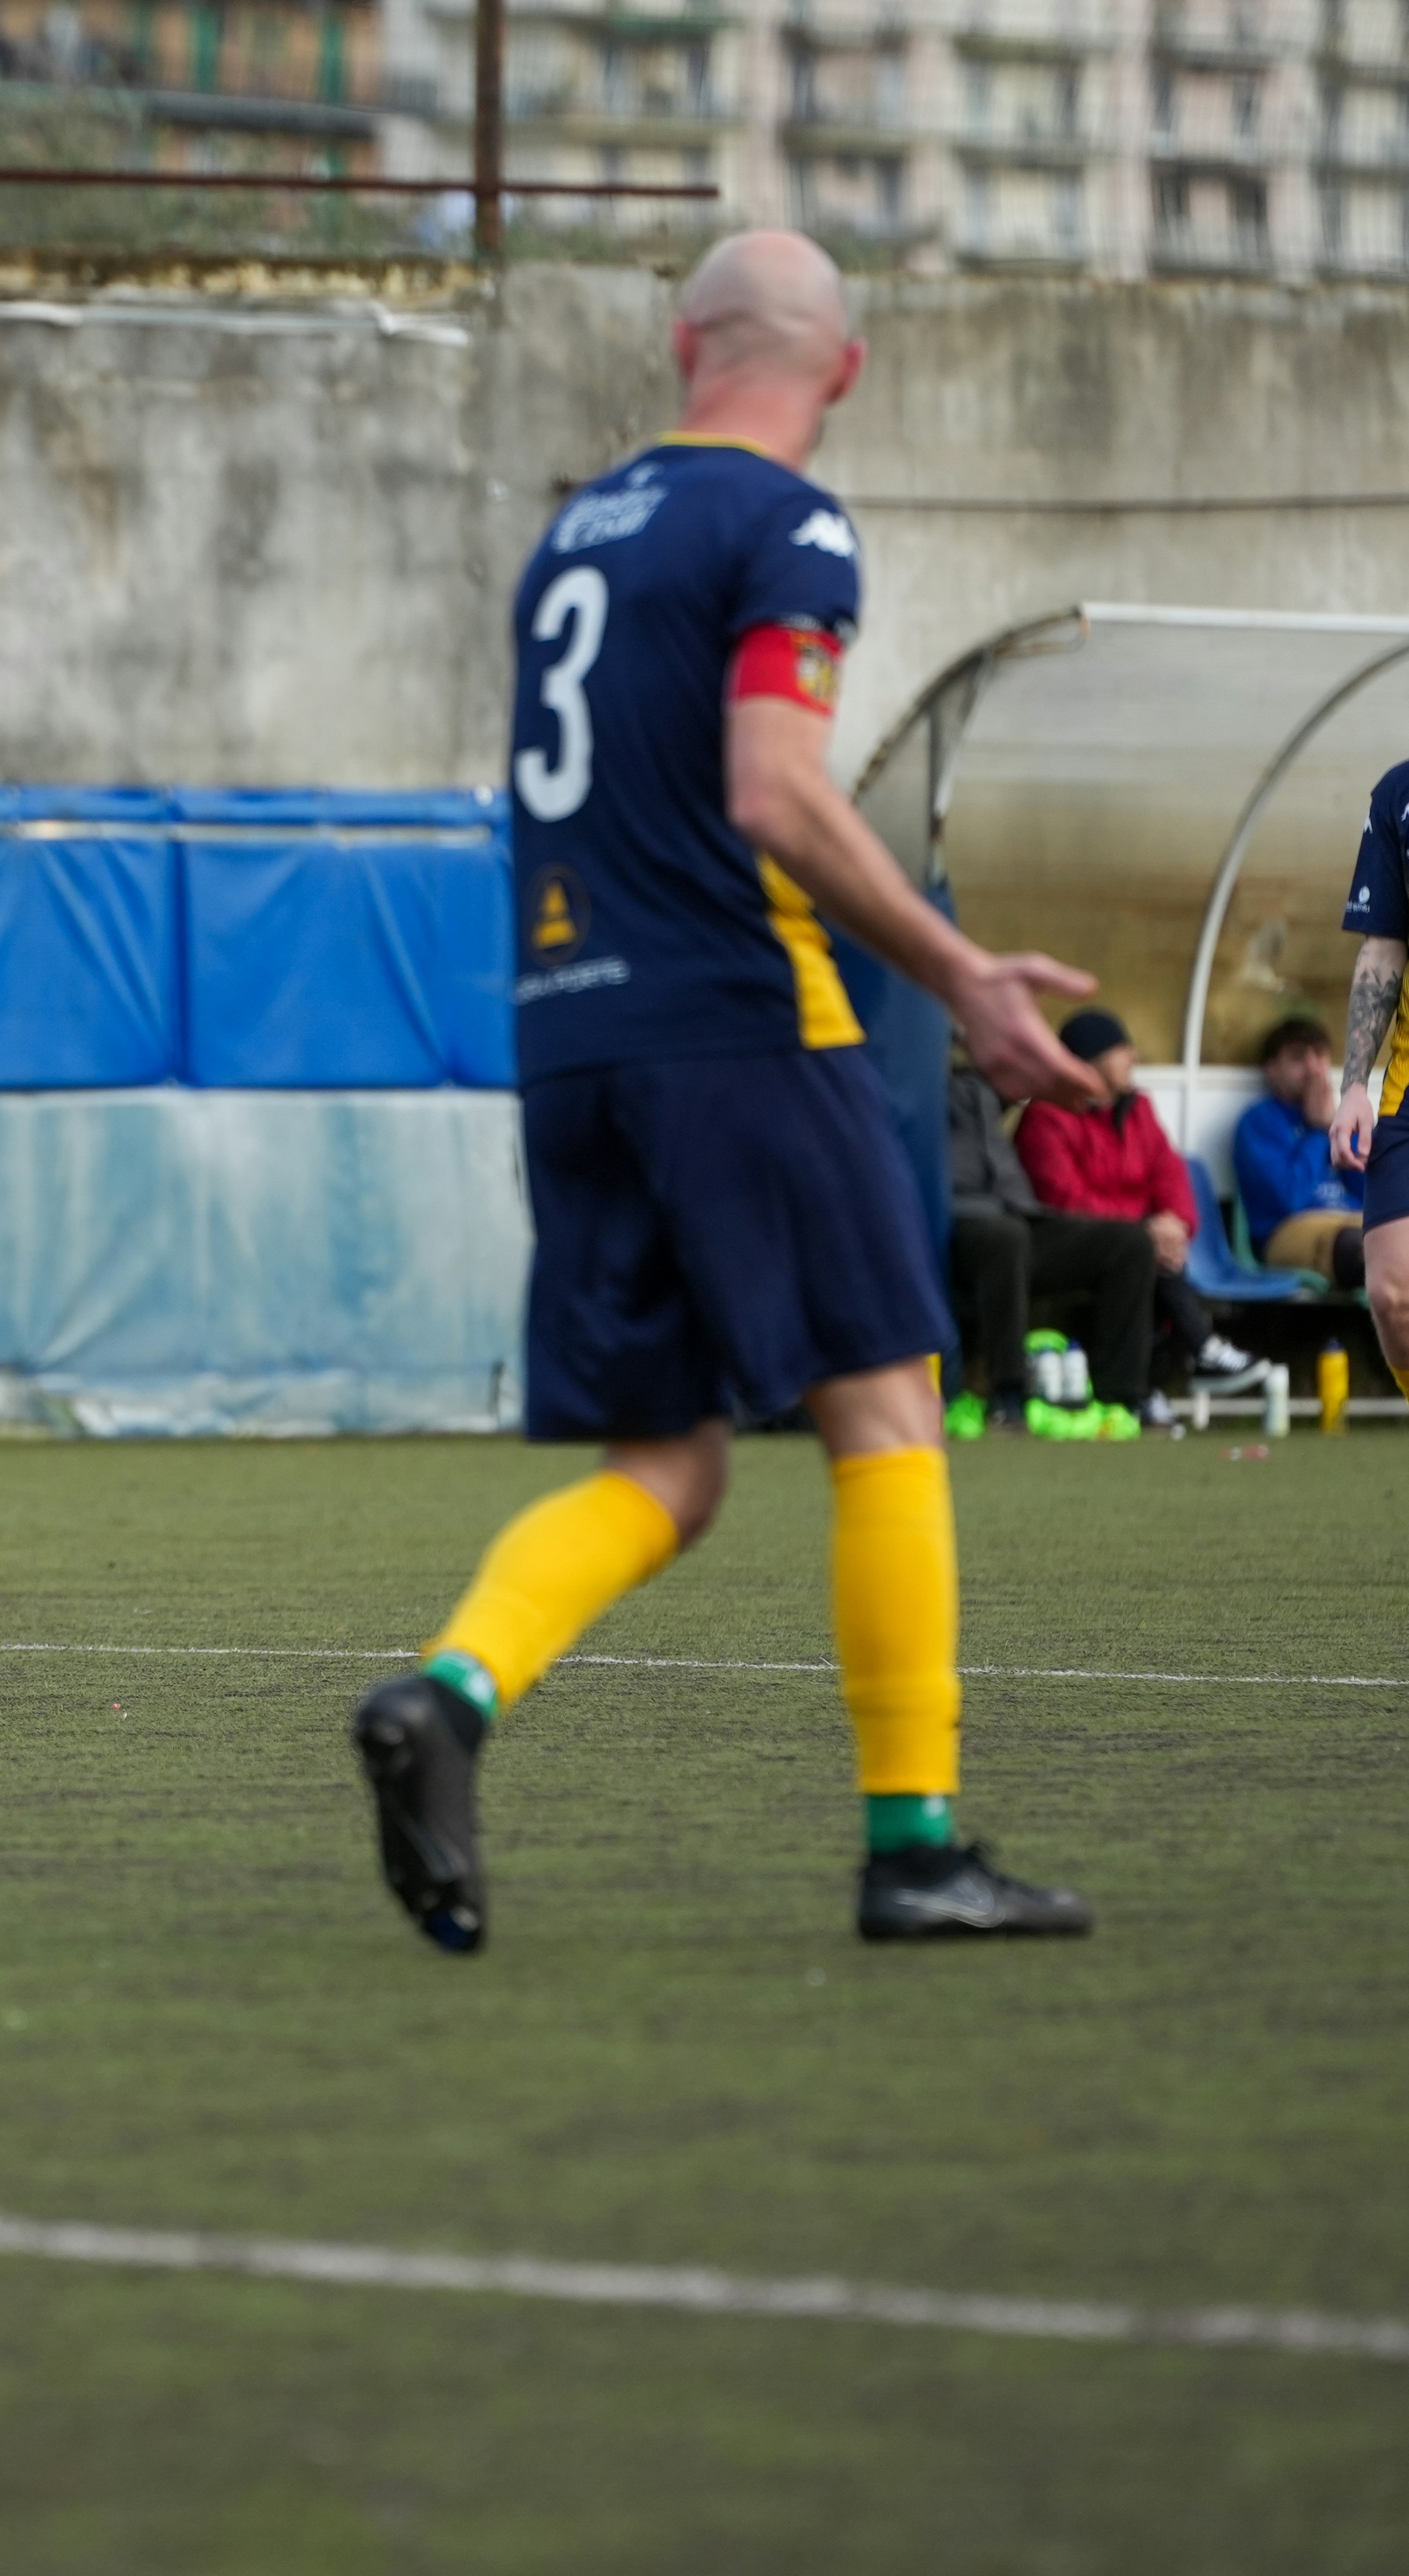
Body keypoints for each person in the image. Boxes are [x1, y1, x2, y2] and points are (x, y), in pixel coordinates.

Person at [351, 231, 1098, 1955]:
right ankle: (912, 1847)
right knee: (889, 1415)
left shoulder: (570, 538)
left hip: (572, 1035)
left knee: (669, 1465)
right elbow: (774, 790)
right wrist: (962, 976)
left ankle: (452, 1696)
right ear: (843, 370)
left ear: (684, 344)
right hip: (746, 1030)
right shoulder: (788, 524)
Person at [1015, 1007, 1257, 1404]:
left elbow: (1170, 1172)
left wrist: (1176, 1224)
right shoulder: (1047, 1116)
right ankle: (1200, 1350)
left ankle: (1175, 1372)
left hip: (1138, 1239)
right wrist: (1146, 1227)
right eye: (1121, 1048)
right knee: (1141, 1251)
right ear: (1089, 1059)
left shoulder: (1138, 1109)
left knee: (1152, 1254)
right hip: (1071, 1243)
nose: (1135, 1057)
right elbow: (1064, 1199)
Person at [944, 1058, 1154, 1440]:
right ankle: (1008, 1397)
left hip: (1018, 1212)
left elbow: (1022, 1075)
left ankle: (1120, 1400)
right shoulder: (905, 1081)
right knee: (1004, 1238)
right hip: (951, 1222)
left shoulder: (979, 1078)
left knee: (1130, 1243)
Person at [1325, 758, 1409, 1376]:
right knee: (1392, 1295)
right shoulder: (1398, 793)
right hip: (1407, 1085)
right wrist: (1354, 1082)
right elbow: (1381, 944)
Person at [1234, 1014, 1366, 1288]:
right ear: (1272, 1069)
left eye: (1319, 1056)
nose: (1313, 1069)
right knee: (1368, 1250)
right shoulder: (1261, 1122)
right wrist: (1318, 1133)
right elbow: (1289, 1199)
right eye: (1297, 1059)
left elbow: (1371, 1190)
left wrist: (1340, 1131)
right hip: (1288, 1231)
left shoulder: (1340, 1118)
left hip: (1352, 1219)